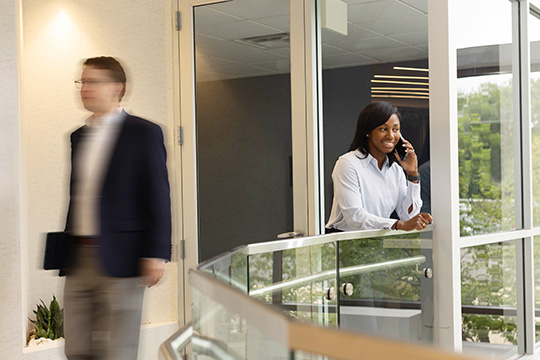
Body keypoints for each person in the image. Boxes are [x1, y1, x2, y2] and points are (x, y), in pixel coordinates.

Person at [62, 56, 171, 359]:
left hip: (124, 257)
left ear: (117, 87)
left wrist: (156, 252)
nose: (84, 88)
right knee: (77, 348)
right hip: (79, 257)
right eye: (81, 81)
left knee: (118, 350)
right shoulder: (78, 136)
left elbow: (158, 193)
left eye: (92, 81)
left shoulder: (144, 132)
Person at [325, 101, 433, 232]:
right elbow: (354, 217)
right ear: (367, 132)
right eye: (383, 129)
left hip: (376, 242)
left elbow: (408, 216)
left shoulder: (395, 170)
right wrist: (398, 225)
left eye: (395, 129)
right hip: (345, 242)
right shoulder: (348, 163)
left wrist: (412, 174)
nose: (391, 136)